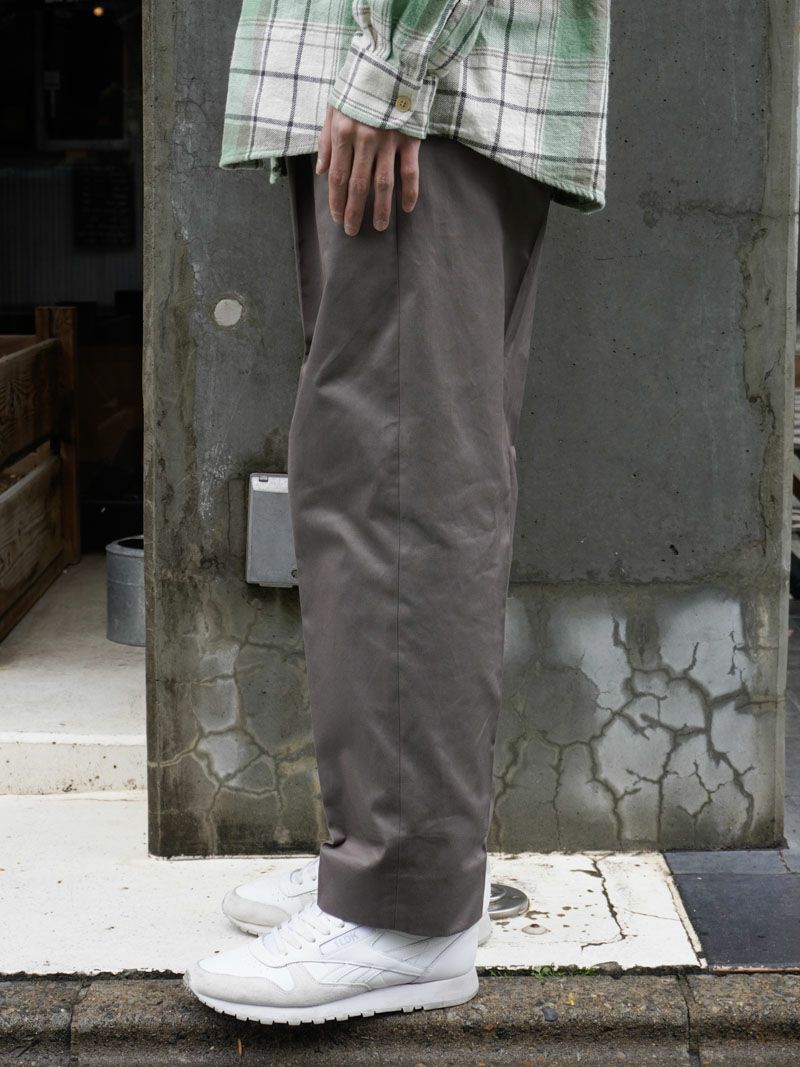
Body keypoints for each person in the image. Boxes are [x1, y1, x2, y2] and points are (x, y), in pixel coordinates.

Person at [184, 0, 610, 1026]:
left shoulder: (405, 86)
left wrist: (395, 71)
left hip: (419, 93)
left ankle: (406, 907)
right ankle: (394, 865)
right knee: (390, 482)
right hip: (408, 92)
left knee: (400, 496)